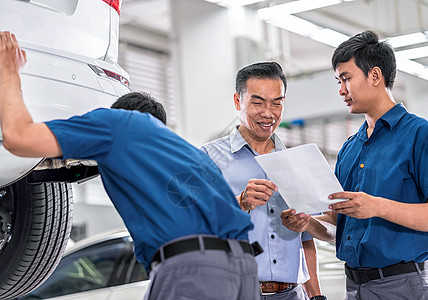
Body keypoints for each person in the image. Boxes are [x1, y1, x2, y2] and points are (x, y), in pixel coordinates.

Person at [0, 31, 260, 300]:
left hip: (192, 270)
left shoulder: (116, 124)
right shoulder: (191, 155)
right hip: (244, 270)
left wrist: (9, 70)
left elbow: (18, 138)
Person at [281, 30, 428, 300]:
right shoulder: (350, 148)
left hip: (404, 285)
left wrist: (376, 206)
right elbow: (338, 224)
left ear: (374, 76)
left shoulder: (421, 135)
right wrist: (308, 224)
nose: (341, 90)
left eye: (346, 78)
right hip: (355, 286)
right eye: (338, 81)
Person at [202, 62, 326, 300]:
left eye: (277, 102)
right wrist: (238, 202)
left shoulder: (297, 163)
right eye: (258, 102)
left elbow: (306, 240)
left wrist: (316, 296)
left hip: (292, 294)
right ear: (238, 101)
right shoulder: (207, 158)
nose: (269, 113)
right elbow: (187, 219)